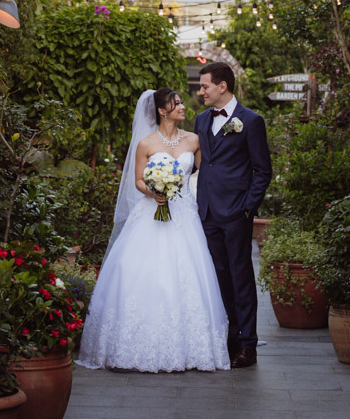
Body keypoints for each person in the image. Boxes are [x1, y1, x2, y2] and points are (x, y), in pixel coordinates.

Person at [77, 88, 232, 372]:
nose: (183, 106)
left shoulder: (194, 140)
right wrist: (153, 192)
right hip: (152, 213)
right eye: (177, 103)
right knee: (143, 273)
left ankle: (192, 348)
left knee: (188, 275)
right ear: (162, 110)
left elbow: (207, 172)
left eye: (182, 102)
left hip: (184, 216)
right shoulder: (146, 144)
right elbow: (138, 180)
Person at [194, 62, 272, 368]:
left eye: (204, 86)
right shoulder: (201, 120)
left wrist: (248, 208)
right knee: (218, 278)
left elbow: (262, 170)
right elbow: (203, 163)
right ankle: (227, 339)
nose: (200, 92)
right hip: (207, 212)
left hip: (237, 213)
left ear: (222, 86)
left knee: (241, 278)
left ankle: (247, 345)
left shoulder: (251, 121)